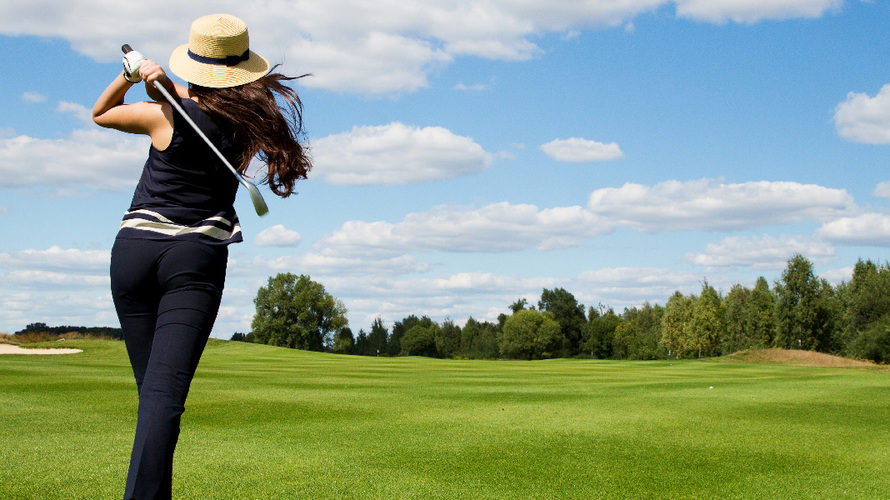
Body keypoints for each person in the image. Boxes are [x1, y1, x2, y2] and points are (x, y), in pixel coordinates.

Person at [92, 13, 311, 500]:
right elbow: (202, 107)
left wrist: (130, 75)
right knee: (162, 399)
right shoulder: (250, 126)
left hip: (132, 254)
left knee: (154, 399)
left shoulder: (162, 114)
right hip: (194, 260)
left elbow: (102, 113)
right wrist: (161, 85)